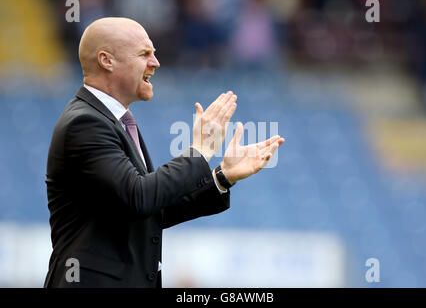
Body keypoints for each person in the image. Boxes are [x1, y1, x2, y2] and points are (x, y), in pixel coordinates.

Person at [44, 17, 284, 288]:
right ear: (106, 60)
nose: (155, 63)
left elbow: (148, 208)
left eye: (154, 54)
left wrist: (222, 176)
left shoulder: (114, 121)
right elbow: (139, 197)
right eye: (144, 54)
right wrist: (200, 150)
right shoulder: (85, 124)